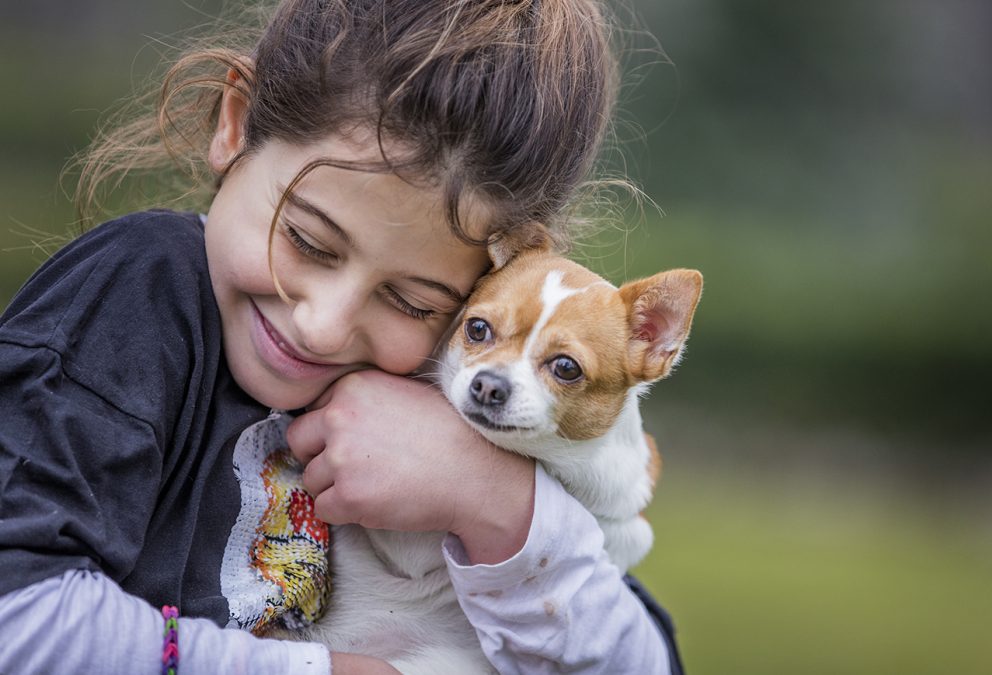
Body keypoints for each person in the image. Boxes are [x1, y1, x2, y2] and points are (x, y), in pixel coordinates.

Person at [0, 1, 685, 673]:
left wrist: (497, 505)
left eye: (409, 299)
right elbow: (17, 615)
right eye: (307, 240)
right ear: (236, 124)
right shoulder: (143, 292)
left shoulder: (459, 401)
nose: (322, 325)